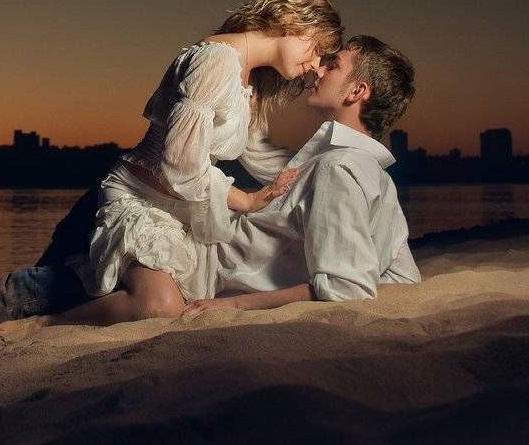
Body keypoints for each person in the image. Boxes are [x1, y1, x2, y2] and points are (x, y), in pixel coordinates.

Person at [0, 0, 342, 334]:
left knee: (51, 288)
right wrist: (243, 200)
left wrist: (332, 168)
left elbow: (259, 153)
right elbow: (179, 162)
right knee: (50, 291)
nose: (315, 66)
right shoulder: (215, 62)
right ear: (293, 22)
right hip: (134, 203)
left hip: (173, 212)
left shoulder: (246, 81)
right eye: (318, 50)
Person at [179, 33, 420, 319]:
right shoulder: (379, 179)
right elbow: (403, 277)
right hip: (202, 250)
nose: (319, 70)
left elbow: (346, 287)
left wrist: (235, 305)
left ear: (357, 91)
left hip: (196, 268)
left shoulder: (336, 168)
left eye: (333, 66)